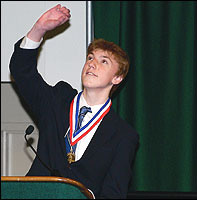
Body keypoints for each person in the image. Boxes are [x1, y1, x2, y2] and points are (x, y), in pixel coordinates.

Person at [9, 4, 139, 199]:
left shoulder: (123, 135)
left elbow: (114, 193)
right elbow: (22, 71)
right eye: (90, 58)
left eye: (104, 61)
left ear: (117, 78)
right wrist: (39, 28)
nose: (92, 64)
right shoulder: (58, 100)